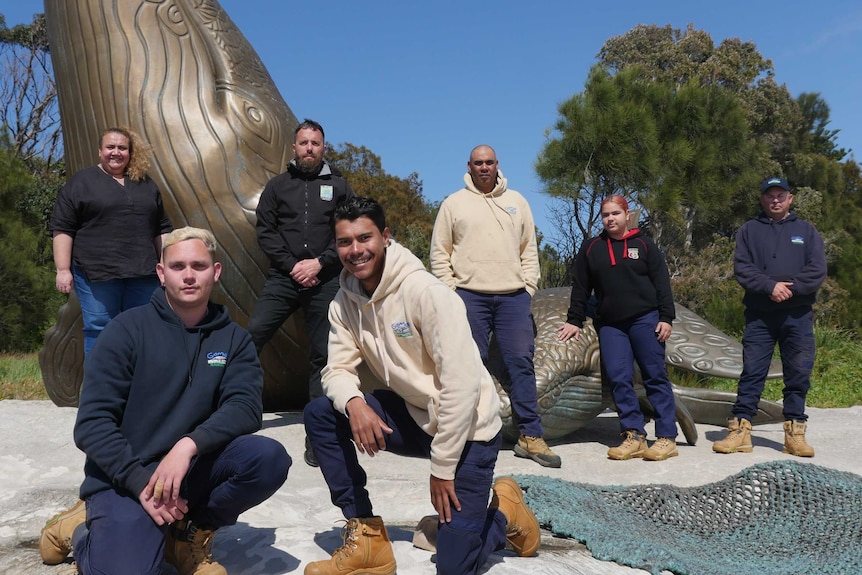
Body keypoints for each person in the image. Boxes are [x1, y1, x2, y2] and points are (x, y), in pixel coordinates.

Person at [303, 197, 541, 575]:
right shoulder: (343, 302)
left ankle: (502, 513)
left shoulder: (426, 293)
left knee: (453, 566)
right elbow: (335, 370)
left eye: (364, 238)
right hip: (416, 418)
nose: (355, 250)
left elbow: (462, 387)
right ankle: (365, 534)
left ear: (385, 236)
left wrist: (443, 468)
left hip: (468, 432)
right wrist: (354, 403)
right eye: (345, 242)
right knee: (320, 412)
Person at [39, 227, 291, 575]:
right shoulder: (126, 331)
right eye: (178, 266)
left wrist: (188, 445)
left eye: (199, 266)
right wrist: (139, 480)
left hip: (189, 470)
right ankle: (80, 530)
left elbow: (245, 407)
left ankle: (187, 532)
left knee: (267, 459)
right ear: (161, 273)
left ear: (215, 272)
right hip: (126, 478)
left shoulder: (234, 339)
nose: (188, 275)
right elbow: (92, 424)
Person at [429, 145, 560, 468]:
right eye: (478, 163)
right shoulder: (453, 204)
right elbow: (439, 253)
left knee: (520, 363)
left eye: (489, 163)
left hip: (513, 296)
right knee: (467, 365)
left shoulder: (517, 202)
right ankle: (463, 434)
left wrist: (528, 288)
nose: (484, 168)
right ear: (469, 167)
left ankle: (530, 435)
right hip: (469, 296)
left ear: (497, 165)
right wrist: (451, 293)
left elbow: (529, 249)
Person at [249, 118, 354, 466]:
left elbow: (348, 232)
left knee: (323, 355)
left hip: (324, 279)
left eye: (315, 143)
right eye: (304, 143)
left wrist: (319, 264)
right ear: (294, 148)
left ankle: (319, 435)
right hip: (283, 277)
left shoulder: (339, 187)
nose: (309, 148)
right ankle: (234, 413)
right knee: (250, 338)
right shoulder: (277, 187)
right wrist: (294, 265)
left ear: (324, 148)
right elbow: (266, 231)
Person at [557, 195, 679, 461]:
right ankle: (633, 434)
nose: (610, 219)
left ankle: (667, 437)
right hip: (611, 324)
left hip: (645, 319)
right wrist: (574, 320)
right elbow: (581, 287)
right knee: (618, 377)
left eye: (615, 214)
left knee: (654, 376)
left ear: (626, 215)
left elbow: (662, 283)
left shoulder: (644, 245)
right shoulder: (592, 248)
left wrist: (666, 317)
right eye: (605, 215)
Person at [713, 177, 826, 457]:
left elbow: (817, 269)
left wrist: (791, 289)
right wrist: (769, 287)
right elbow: (743, 268)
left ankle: (794, 434)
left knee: (798, 374)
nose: (775, 200)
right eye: (770, 196)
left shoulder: (807, 231)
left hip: (797, 315)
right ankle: (739, 432)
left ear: (790, 199)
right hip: (760, 316)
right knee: (752, 372)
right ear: (762, 200)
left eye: (781, 195)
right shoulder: (749, 231)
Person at [49, 126, 173, 354]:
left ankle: (140, 387)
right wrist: (62, 269)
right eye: (110, 147)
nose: (116, 152)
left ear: (130, 152)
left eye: (122, 148)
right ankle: (102, 388)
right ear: (100, 151)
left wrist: (166, 264)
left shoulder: (145, 183)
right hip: (97, 274)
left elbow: (161, 228)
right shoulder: (81, 182)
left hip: (144, 273)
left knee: (143, 329)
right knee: (100, 330)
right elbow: (62, 228)